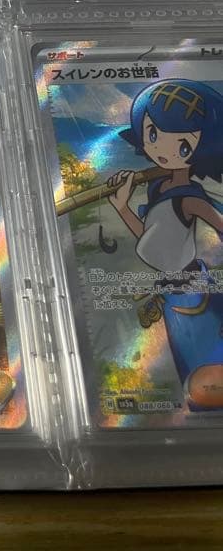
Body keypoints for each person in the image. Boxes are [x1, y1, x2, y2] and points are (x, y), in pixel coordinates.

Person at [107, 79, 223, 409]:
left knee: (205, 370)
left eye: (182, 146)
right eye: (153, 135)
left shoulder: (190, 198)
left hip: (194, 291)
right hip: (172, 293)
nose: (164, 150)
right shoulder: (159, 190)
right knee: (190, 374)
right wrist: (122, 207)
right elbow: (150, 243)